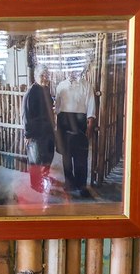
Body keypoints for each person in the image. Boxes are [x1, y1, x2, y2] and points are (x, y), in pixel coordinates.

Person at [54, 69, 97, 197]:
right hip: (64, 122)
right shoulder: (61, 85)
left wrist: (90, 123)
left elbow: (91, 104)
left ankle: (81, 185)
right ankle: (69, 183)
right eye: (70, 70)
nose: (72, 73)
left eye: (75, 70)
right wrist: (57, 125)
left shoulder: (86, 85)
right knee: (66, 155)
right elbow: (57, 107)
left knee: (81, 156)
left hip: (80, 122)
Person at [22, 64, 56, 194]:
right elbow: (26, 114)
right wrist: (28, 134)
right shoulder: (31, 92)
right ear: (36, 76)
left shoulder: (46, 90)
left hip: (47, 131)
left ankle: (44, 178)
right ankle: (36, 185)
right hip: (35, 133)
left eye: (46, 75)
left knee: (48, 156)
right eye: (42, 75)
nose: (45, 77)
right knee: (35, 160)